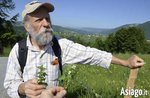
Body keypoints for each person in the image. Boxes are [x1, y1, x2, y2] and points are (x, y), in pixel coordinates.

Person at [4, 1, 145, 98]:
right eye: (39, 20)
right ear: (27, 27)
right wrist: (22, 88)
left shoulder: (60, 46)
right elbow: (10, 84)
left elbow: (92, 54)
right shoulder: (19, 50)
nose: (46, 23)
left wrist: (126, 63)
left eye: (47, 18)